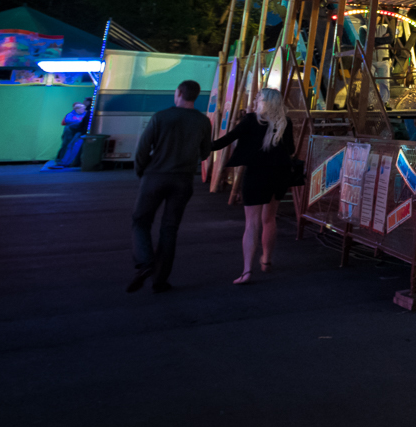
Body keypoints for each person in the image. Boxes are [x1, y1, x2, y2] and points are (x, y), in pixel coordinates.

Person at [209, 88, 302, 284]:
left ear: (263, 102)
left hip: (256, 175)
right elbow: (291, 150)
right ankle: (266, 260)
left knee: (251, 223)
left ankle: (246, 271)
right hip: (279, 176)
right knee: (269, 219)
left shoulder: (251, 120)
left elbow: (225, 141)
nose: (254, 101)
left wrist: (201, 146)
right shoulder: (285, 122)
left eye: (257, 98)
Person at [129, 80, 213, 294]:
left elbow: (143, 148)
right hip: (183, 180)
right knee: (169, 228)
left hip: (155, 176)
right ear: (195, 96)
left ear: (178, 93)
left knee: (141, 221)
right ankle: (160, 280)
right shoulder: (203, 121)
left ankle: (145, 261)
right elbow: (205, 153)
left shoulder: (160, 117)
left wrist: (142, 171)